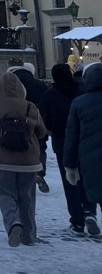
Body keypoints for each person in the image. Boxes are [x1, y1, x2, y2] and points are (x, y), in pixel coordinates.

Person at [0, 70, 48, 247]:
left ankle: (13, 223)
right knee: (27, 196)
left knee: (4, 192)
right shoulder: (30, 106)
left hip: (2, 159)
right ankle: (29, 235)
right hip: (28, 160)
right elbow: (41, 131)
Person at [40, 64, 98, 235]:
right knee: (87, 178)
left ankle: (77, 222)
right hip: (85, 141)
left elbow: (44, 120)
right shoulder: (82, 91)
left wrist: (52, 130)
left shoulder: (49, 95)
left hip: (62, 141)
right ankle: (89, 211)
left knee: (70, 182)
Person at [64, 63, 102, 237]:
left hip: (91, 163)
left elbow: (71, 137)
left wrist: (70, 166)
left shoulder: (79, 103)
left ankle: (89, 212)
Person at [10, 60, 50, 193]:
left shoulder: (13, 85)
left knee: (19, 148)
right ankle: (40, 172)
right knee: (40, 147)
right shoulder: (40, 84)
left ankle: (22, 176)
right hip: (38, 120)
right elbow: (45, 103)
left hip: (17, 121)